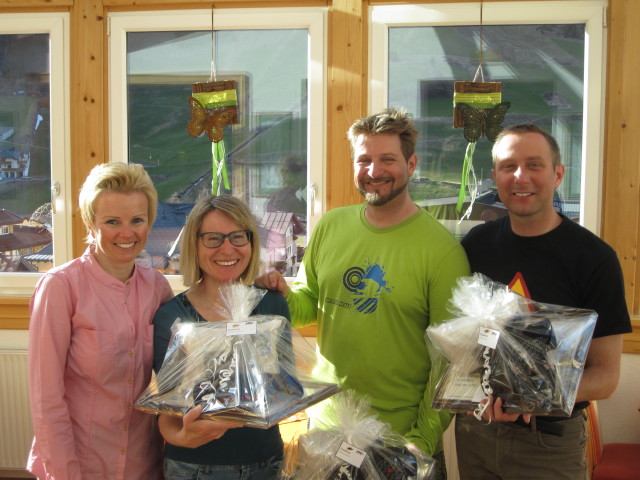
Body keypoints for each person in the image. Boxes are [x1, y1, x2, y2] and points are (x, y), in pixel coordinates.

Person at [255, 108, 470, 478]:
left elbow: (453, 362)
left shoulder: (442, 251)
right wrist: (284, 293)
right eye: (364, 160)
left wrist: (422, 439)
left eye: (387, 159)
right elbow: (310, 305)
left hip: (399, 440)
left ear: (412, 163)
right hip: (326, 427)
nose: (374, 171)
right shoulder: (332, 226)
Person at [455, 124, 633, 479]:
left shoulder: (594, 258)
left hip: (549, 444)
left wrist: (531, 399)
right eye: (509, 166)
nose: (521, 177)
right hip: (476, 434)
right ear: (495, 176)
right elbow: (464, 341)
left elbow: (606, 377)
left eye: (534, 165)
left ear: (558, 174)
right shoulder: (476, 245)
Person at [27, 162, 173, 480]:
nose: (127, 233)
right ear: (91, 222)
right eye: (112, 221)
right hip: (79, 463)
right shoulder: (59, 287)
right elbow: (46, 398)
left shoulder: (157, 288)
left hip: (143, 463)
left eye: (137, 220)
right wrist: (67, 473)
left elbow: (176, 373)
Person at [152, 194, 290, 480]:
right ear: (195, 244)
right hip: (194, 466)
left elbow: (285, 386)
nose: (227, 249)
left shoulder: (272, 307)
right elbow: (166, 412)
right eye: (213, 238)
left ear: (251, 242)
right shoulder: (172, 318)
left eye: (238, 237)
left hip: (266, 462)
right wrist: (182, 437)